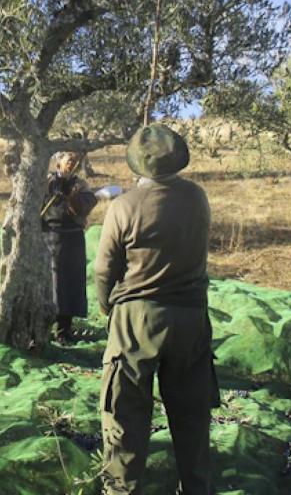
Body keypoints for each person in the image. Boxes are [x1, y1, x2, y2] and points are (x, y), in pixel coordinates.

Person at [94, 124, 219, 495]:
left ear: (136, 164)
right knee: (192, 416)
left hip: (137, 317)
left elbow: (104, 269)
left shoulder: (124, 206)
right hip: (192, 317)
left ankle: (121, 489)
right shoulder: (197, 197)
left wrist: (108, 308)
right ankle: (196, 487)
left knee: (125, 413)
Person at [41, 151, 97, 343]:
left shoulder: (80, 185)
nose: (71, 163)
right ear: (58, 163)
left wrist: (70, 196)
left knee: (70, 284)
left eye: (74, 160)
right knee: (51, 284)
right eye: (68, 159)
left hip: (72, 240)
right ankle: (42, 327)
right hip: (48, 237)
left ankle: (64, 330)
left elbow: (83, 208)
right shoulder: (44, 182)